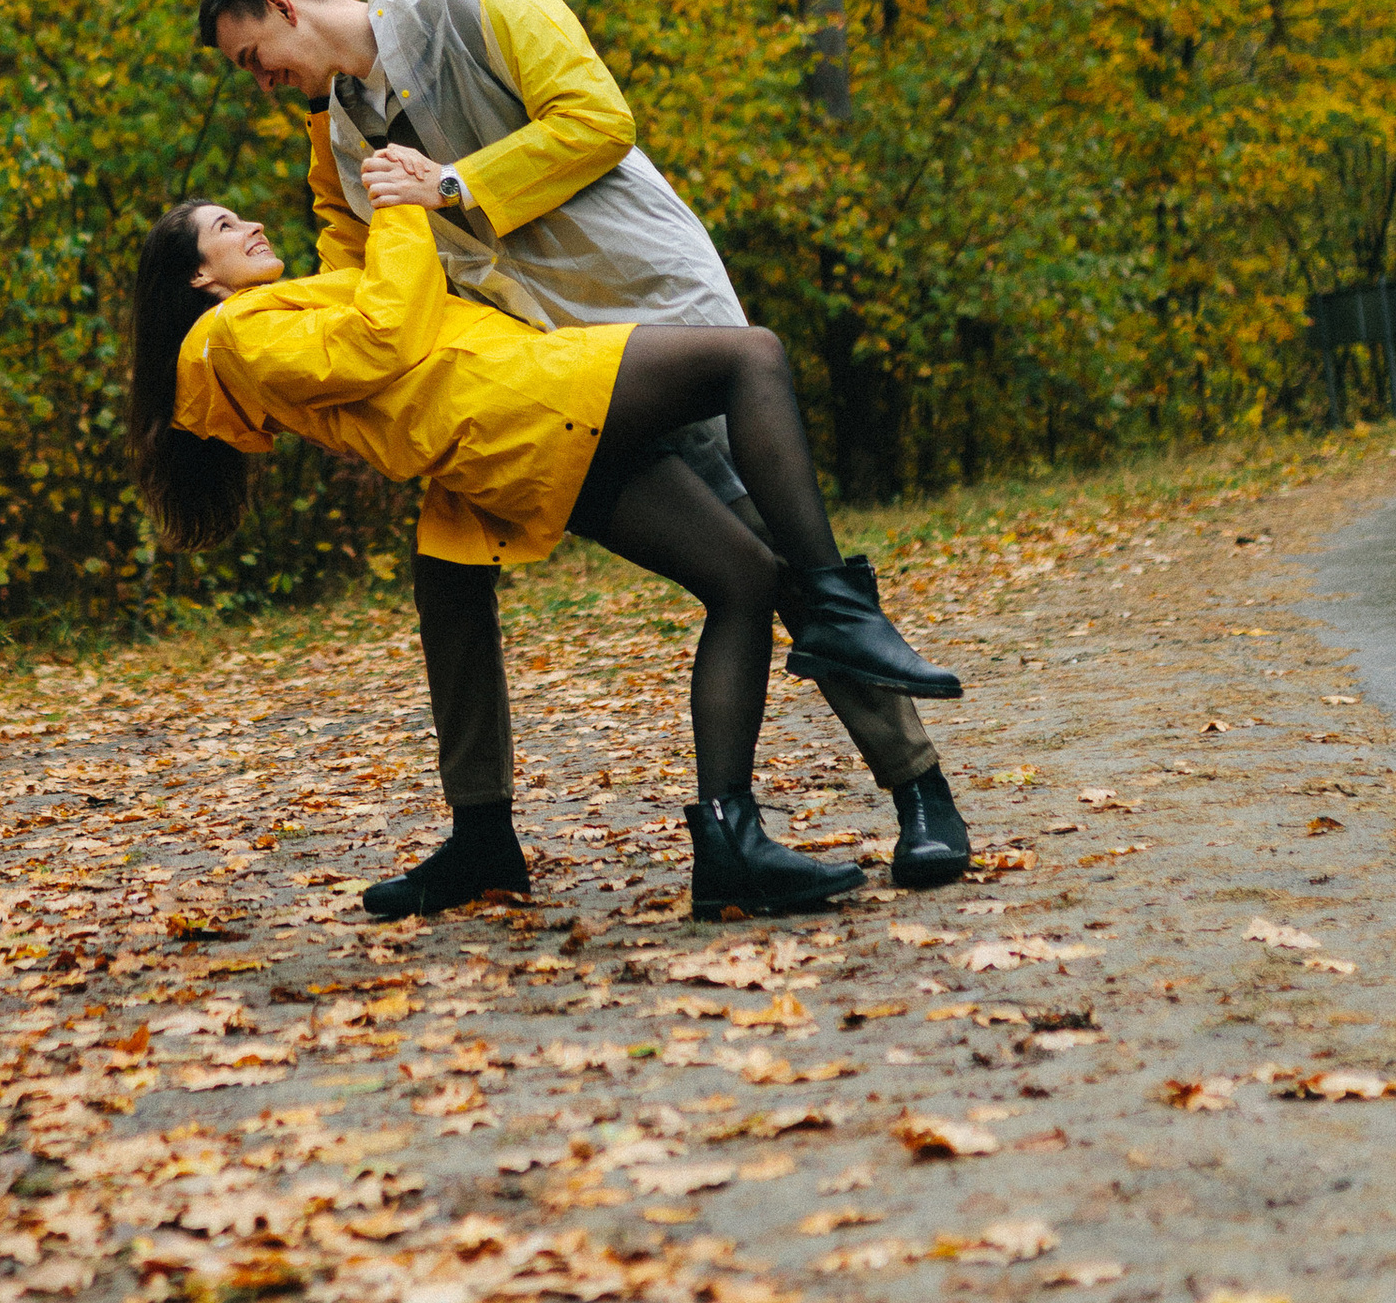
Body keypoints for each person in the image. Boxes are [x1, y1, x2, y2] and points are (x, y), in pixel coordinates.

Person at [196, 0, 975, 917]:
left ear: (282, 5)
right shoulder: (340, 134)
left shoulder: (453, 4)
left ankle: (920, 793)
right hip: (540, 362)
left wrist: (451, 185)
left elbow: (596, 118)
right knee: (451, 576)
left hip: (650, 307)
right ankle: (482, 833)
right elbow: (359, 277)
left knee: (778, 556)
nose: (256, 78)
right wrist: (259, 334)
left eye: (249, 55)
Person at [127, 192, 962, 920]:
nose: (252, 226)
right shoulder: (235, 335)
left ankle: (726, 844)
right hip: (525, 399)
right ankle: (838, 607)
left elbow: (353, 259)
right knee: (752, 355)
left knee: (742, 577)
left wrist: (330, 123)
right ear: (200, 278)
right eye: (227, 227)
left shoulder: (272, 315)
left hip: (515, 417)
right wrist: (409, 200)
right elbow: (383, 334)